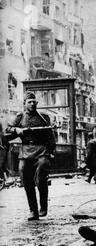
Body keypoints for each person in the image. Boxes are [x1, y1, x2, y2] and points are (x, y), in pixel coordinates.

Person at [5, 91, 56, 221]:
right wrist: (17, 130)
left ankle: (43, 207)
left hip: (41, 150)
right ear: (24, 104)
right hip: (26, 151)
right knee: (26, 180)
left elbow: (51, 136)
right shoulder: (20, 117)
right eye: (29, 102)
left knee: (41, 176)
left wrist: (50, 152)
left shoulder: (44, 117)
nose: (32, 104)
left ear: (37, 103)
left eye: (34, 102)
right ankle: (33, 211)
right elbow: (8, 130)